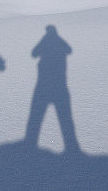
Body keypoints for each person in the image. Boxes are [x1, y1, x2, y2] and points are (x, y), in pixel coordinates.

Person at [25, 25, 79, 153]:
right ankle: (72, 148)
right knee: (65, 118)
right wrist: (58, 39)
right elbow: (69, 50)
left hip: (43, 87)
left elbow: (34, 53)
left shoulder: (45, 41)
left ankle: (29, 146)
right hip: (60, 86)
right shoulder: (60, 42)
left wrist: (44, 40)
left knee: (36, 117)